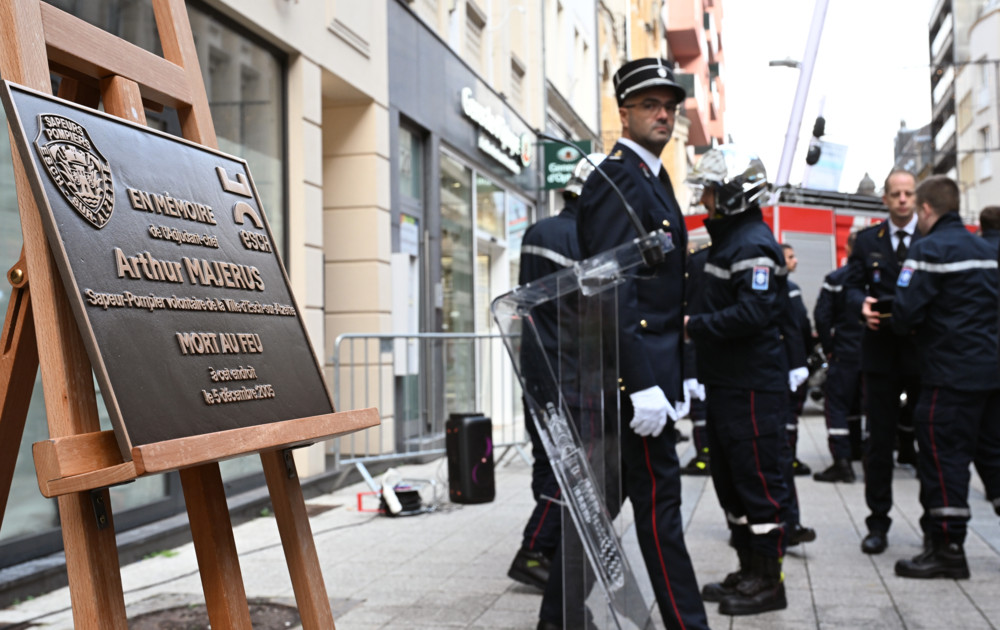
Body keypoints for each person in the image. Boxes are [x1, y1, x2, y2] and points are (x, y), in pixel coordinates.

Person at [537, 57, 709, 630]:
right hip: (630, 387)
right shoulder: (616, 181)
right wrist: (642, 387)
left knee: (602, 510)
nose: (663, 114)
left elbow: (667, 292)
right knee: (660, 514)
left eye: (670, 105)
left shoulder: (652, 178)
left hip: (645, 380)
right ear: (624, 112)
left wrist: (680, 373)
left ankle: (556, 622)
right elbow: (609, 290)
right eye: (649, 105)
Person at [685, 145, 792, 616]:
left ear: (730, 193)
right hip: (728, 384)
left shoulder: (752, 244)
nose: (704, 199)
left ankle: (770, 582)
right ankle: (749, 570)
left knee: (758, 484)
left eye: (709, 190)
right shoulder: (732, 241)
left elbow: (753, 311)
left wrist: (694, 327)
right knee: (732, 484)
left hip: (752, 387)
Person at [890, 175, 1000, 579]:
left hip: (949, 376)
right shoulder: (986, 249)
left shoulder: (927, 249)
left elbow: (904, 316)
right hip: (991, 373)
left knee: (943, 458)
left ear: (925, 209)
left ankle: (948, 548)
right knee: (993, 456)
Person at [509, 154, 605, 591]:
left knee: (548, 456)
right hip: (569, 370)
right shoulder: (584, 238)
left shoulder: (538, 231)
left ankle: (547, 546)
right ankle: (535, 550)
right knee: (569, 462)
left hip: (537, 364)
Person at [845, 167, 922, 555]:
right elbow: (851, 285)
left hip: (923, 357)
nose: (903, 200)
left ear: (917, 198)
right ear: (885, 199)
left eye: (908, 193)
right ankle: (877, 524)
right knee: (879, 444)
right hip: (880, 356)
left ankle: (935, 526)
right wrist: (861, 304)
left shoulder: (932, 239)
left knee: (928, 441)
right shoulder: (865, 241)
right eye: (896, 194)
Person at [812, 231, 864, 482]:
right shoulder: (879, 279)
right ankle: (859, 448)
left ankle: (842, 461)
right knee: (868, 405)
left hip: (845, 351)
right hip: (876, 354)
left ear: (849, 248)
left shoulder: (836, 279)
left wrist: (829, 346)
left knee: (837, 405)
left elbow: (822, 316)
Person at [781, 243, 813, 477]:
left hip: (777, 361)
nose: (796, 260)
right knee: (791, 412)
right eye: (791, 257)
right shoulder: (789, 289)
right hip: (790, 360)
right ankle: (789, 459)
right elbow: (800, 324)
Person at [680, 242, 711, 476]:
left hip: (696, 344)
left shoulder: (696, 261)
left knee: (700, 407)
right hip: (714, 346)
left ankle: (704, 456)